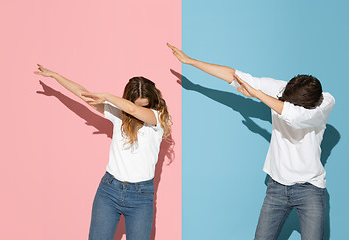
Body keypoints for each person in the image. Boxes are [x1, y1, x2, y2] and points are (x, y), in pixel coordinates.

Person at [167, 43, 335, 240]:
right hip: (277, 187)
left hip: (310, 190)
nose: (284, 101)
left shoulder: (325, 104)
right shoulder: (284, 90)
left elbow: (295, 117)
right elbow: (234, 75)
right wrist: (190, 61)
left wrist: (257, 94)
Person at [34, 64, 171, 240]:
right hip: (109, 190)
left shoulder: (159, 118)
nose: (138, 112)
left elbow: (132, 110)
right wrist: (56, 76)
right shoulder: (119, 113)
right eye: (135, 104)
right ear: (127, 99)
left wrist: (106, 96)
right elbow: (83, 94)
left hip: (141, 196)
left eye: (145, 106)